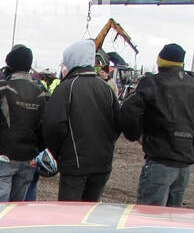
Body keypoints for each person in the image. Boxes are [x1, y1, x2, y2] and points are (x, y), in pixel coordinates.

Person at [42, 39, 120, 201]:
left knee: (70, 215)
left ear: (71, 63)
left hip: (75, 165)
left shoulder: (66, 88)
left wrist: (57, 153)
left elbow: (53, 125)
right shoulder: (106, 89)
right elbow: (118, 123)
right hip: (102, 164)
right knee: (89, 213)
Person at [120, 43, 194, 207]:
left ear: (160, 61)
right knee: (171, 222)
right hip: (184, 165)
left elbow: (128, 110)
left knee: (149, 220)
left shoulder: (152, 83)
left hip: (160, 161)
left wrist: (136, 135)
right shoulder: (191, 84)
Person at [0, 44, 46, 202]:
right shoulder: (41, 90)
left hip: (3, 156)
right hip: (28, 157)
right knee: (16, 211)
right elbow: (48, 124)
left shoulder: (0, 88)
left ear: (10, 64)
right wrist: (37, 149)